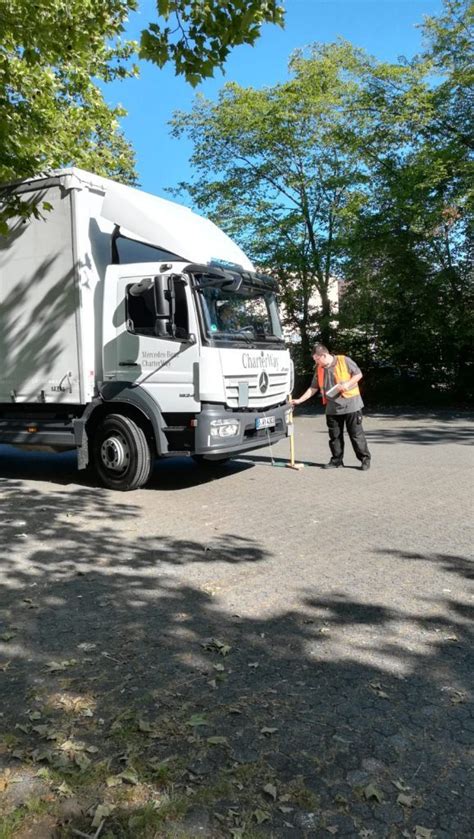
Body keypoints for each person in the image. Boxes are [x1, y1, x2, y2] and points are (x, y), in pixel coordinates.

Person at [291, 343, 371, 470]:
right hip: (332, 408)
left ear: (324, 355)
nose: (316, 362)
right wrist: (300, 400)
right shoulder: (319, 369)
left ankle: (365, 460)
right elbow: (313, 388)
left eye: (317, 359)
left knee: (356, 434)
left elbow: (358, 374)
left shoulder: (344, 360)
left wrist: (347, 384)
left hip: (351, 405)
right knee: (334, 437)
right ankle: (336, 460)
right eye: (315, 360)